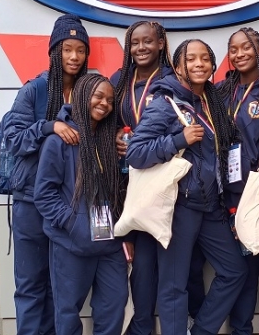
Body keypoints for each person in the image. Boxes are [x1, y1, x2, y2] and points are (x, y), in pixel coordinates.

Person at [126, 39, 248, 335]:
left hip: (211, 206)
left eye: (205, 58)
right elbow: (136, 153)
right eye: (191, 59)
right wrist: (179, 139)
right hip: (179, 207)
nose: (198, 64)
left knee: (234, 270)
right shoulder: (165, 102)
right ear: (179, 66)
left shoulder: (212, 100)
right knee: (173, 286)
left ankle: (202, 330)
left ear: (213, 65)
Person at [3, 13, 90, 335]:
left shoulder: (87, 91)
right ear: (55, 50)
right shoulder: (35, 90)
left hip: (68, 204)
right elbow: (12, 139)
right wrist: (49, 126)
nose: (74, 56)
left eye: (80, 50)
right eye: (67, 48)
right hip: (29, 202)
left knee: (62, 286)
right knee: (30, 284)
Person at [34, 74, 127, 335]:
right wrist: (74, 225)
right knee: (67, 312)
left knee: (114, 306)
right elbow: (44, 195)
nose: (105, 104)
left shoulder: (110, 140)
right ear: (82, 96)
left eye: (110, 100)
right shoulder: (60, 141)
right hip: (71, 243)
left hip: (110, 242)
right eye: (99, 97)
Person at [215, 27, 259, 335]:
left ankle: (241, 329)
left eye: (247, 47)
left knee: (245, 269)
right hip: (217, 194)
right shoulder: (220, 92)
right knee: (223, 269)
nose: (240, 53)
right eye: (234, 49)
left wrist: (255, 193)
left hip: (249, 196)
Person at [109, 20, 174, 335]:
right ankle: (142, 326)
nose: (141, 48)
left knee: (171, 262)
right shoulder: (119, 79)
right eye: (135, 43)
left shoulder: (173, 78)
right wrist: (116, 141)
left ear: (161, 44)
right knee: (140, 265)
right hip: (126, 183)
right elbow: (103, 120)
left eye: (148, 41)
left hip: (163, 181)